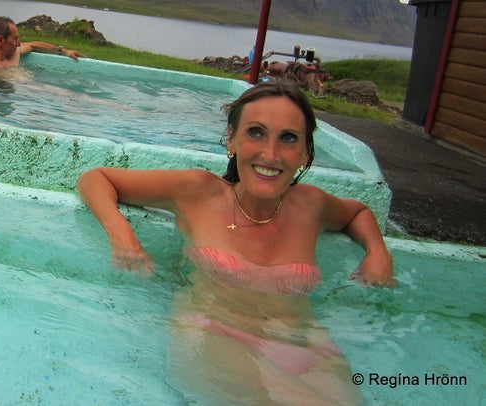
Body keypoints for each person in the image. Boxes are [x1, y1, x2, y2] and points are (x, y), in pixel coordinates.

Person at [78, 81, 394, 404]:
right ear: (232, 139)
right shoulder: (199, 192)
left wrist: (378, 254)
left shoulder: (310, 206)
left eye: (288, 138)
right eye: (256, 132)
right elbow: (95, 178)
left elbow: (358, 214)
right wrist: (124, 236)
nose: (270, 155)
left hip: (306, 345)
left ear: (305, 153)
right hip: (212, 332)